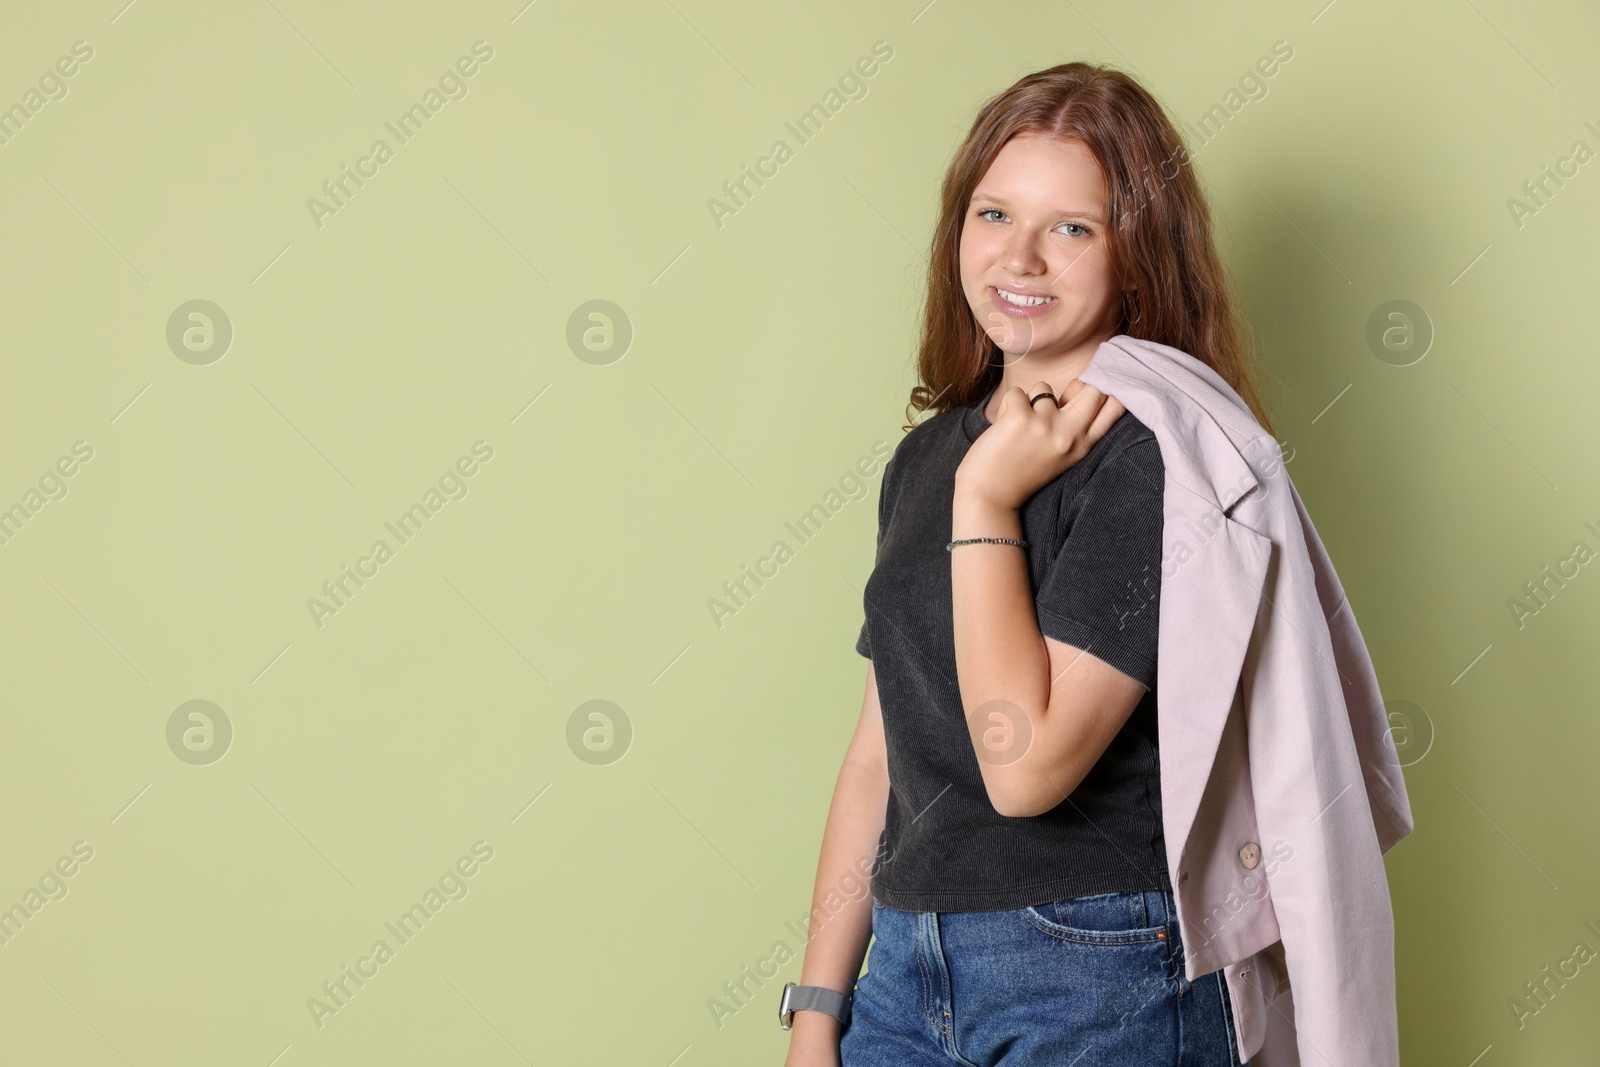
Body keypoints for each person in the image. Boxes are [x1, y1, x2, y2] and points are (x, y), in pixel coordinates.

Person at [780, 62, 1277, 1067]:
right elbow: (881, 753)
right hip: (905, 971)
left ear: (1138, 255)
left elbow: (1026, 768)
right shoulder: (927, 454)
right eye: (993, 212)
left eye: (1072, 227)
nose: (1020, 256)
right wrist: (819, 1007)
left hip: (1103, 969)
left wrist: (987, 497)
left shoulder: (1159, 459)